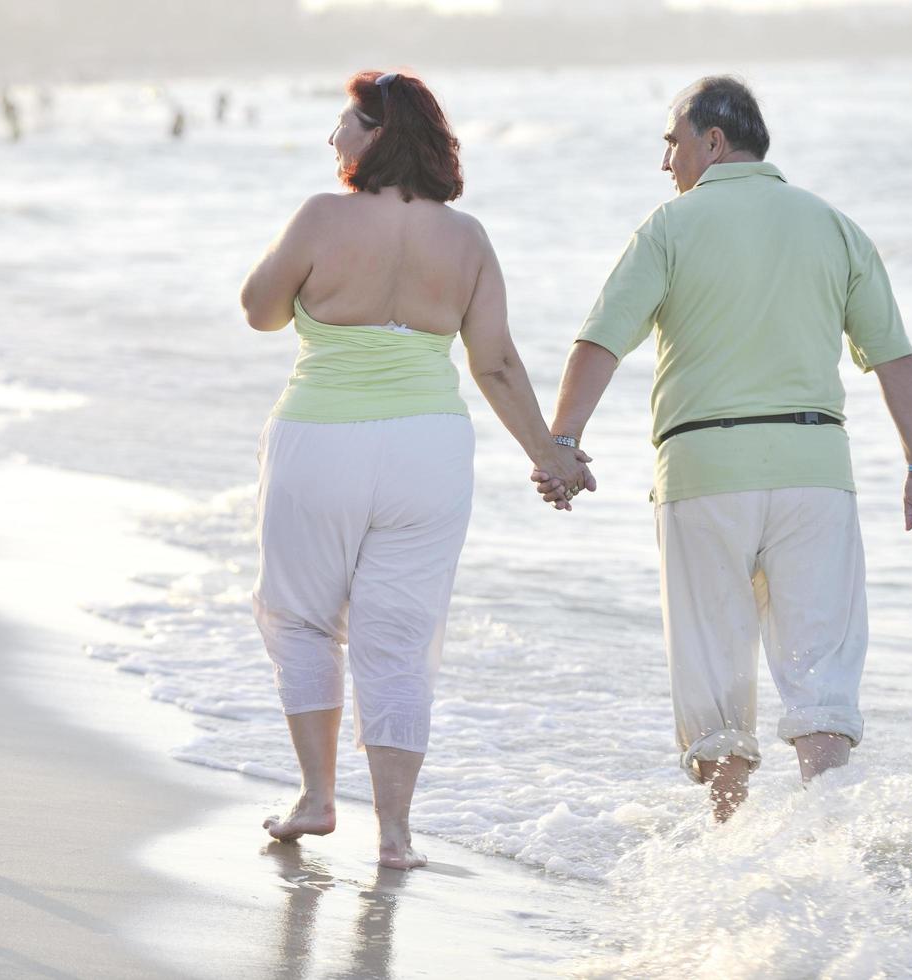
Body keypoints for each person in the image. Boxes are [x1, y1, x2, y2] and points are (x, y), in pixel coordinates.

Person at [535, 76, 912, 821]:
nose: (667, 160)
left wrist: (562, 445)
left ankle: (729, 855)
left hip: (703, 475)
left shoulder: (670, 226)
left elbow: (600, 343)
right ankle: (831, 851)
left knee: (716, 678)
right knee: (820, 679)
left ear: (713, 141)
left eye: (673, 140)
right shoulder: (832, 225)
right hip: (814, 474)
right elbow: (894, 358)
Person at [240, 70, 589, 868]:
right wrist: (551, 456)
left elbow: (259, 311)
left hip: (320, 440)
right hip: (428, 450)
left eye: (344, 124)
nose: (333, 139)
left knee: (299, 619)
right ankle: (395, 834)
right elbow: (495, 362)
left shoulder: (321, 216)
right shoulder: (467, 240)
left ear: (377, 135)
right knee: (397, 641)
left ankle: (319, 799)